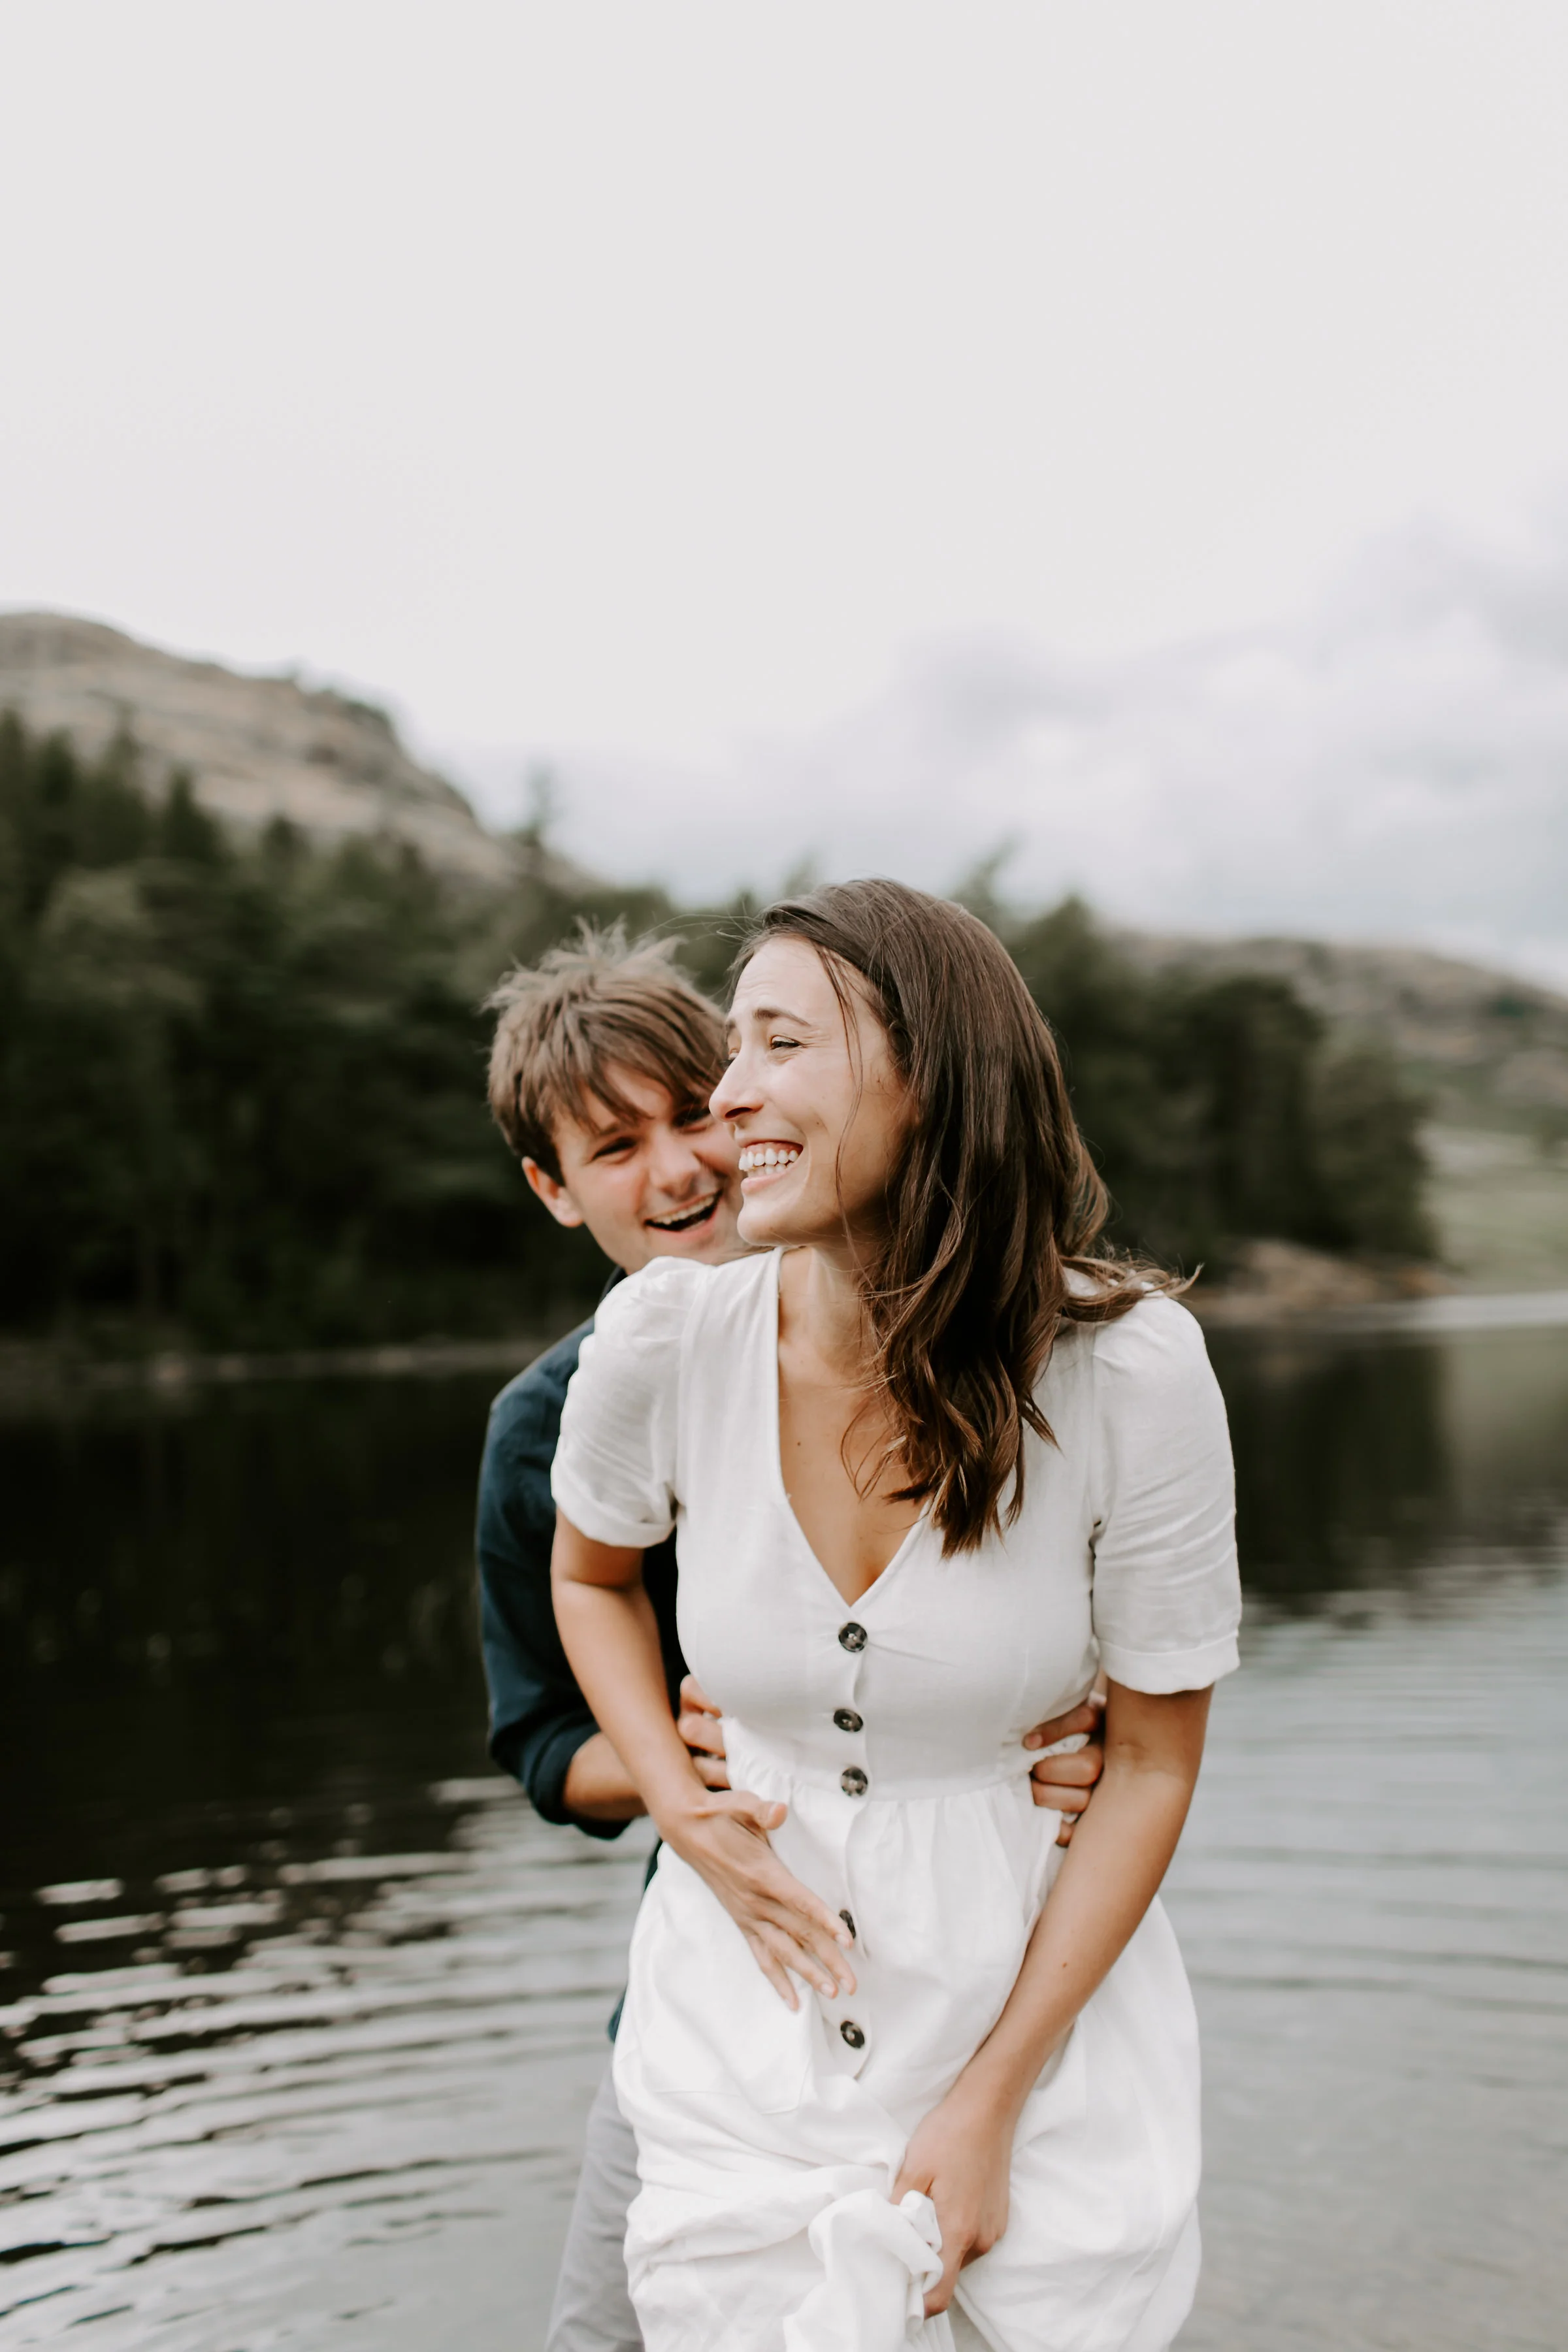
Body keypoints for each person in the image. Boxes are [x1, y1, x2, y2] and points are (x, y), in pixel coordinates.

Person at [550, 881, 1241, 2352]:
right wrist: (682, 1808)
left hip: (1037, 2036)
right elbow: (587, 1574)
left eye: (777, 1043)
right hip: (740, 2037)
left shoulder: (1133, 1377)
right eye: (733, 1049)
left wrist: (988, 2101)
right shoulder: (666, 1338)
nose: (730, 1096)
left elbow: (1158, 1763)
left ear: (933, 1072)